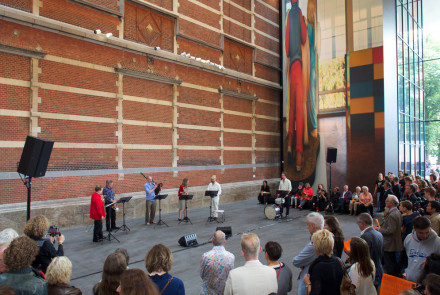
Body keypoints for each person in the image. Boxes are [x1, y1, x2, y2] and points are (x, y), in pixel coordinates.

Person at [285, 0, 307, 171]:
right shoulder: (299, 13)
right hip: (299, 65)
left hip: (291, 64)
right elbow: (304, 38)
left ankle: (290, 142)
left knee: (291, 107)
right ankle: (299, 154)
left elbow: (286, 47)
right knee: (299, 109)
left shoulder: (287, 16)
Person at [302, 229, 343, 295]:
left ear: (317, 246)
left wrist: (308, 283)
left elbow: (315, 292)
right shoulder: (337, 261)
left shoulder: (318, 267)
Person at [401, 216, 440, 283]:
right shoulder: (408, 239)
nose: (424, 236)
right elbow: (406, 258)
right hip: (409, 280)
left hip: (427, 284)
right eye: (421, 233)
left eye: (427, 232)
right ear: (414, 228)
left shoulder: (437, 242)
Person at [293, 212, 323, 295]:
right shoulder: (327, 238)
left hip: (309, 279)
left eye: (308, 225)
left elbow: (296, 261)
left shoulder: (314, 244)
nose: (307, 227)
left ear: (313, 225)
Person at [200, 231, 235, 295]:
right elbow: (230, 276)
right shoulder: (231, 257)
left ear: (212, 241)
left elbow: (202, 274)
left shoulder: (205, 257)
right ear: (224, 242)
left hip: (208, 292)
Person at [357, 213, 384, 288]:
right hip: (379, 267)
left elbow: (363, 254)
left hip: (371, 270)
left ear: (361, 224)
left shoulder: (365, 236)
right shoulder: (378, 233)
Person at [379, 195, 403, 276]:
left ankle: (391, 279)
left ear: (392, 203)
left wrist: (378, 229)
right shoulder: (397, 212)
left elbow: (390, 230)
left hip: (390, 243)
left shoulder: (392, 215)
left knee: (389, 264)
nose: (385, 202)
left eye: (387, 201)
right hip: (394, 241)